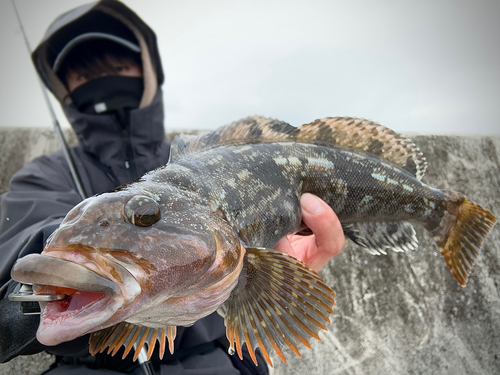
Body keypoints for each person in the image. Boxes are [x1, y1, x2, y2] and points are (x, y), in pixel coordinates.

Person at [0, 1, 344, 374]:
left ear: (148, 72)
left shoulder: (202, 162)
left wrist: (273, 279)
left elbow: (271, 300)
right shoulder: (44, 176)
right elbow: (12, 279)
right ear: (64, 89)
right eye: (84, 76)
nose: (106, 82)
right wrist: (78, 274)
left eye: (119, 68)